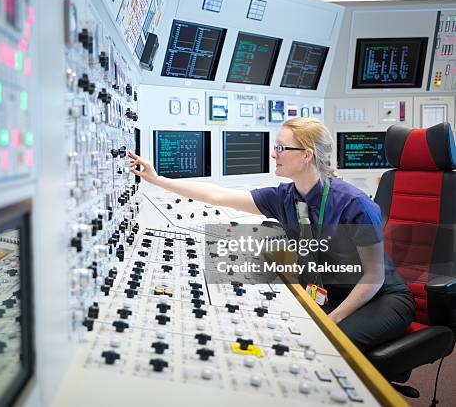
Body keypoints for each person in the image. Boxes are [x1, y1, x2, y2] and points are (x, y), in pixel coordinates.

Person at [128, 117, 415, 352]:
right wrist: (158, 179)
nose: (273, 153)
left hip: (382, 297)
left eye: (281, 147)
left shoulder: (356, 205)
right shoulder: (284, 197)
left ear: (306, 156)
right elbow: (216, 195)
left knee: (328, 346)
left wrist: (332, 319)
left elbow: (374, 277)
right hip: (333, 294)